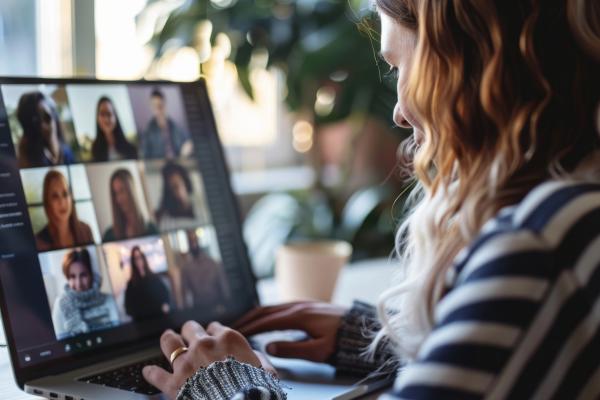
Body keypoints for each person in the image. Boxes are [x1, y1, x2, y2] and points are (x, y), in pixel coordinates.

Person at [142, 1, 600, 400]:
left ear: (472, 61)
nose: (400, 110)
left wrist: (225, 385)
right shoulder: (576, 213)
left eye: (400, 68)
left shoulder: (539, 245)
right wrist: (384, 340)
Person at [51, 248, 120, 339]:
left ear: (91, 275)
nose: (78, 283)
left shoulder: (108, 300)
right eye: (72, 276)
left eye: (83, 275)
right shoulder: (61, 304)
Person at [36, 170, 94, 252]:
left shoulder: (86, 230)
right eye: (55, 196)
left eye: (65, 194)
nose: (62, 202)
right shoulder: (39, 242)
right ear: (48, 202)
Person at [16, 91, 77, 168]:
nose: (44, 126)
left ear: (54, 117)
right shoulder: (25, 160)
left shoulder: (67, 153)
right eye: (36, 120)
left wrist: (53, 142)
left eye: (47, 117)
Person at [102, 169, 158, 242]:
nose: (119, 199)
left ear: (131, 190)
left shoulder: (151, 230)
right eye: (115, 193)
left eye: (122, 190)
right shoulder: (109, 236)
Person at [179, 230, 230, 307]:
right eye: (191, 242)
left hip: (216, 303)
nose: (194, 245)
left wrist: (227, 304)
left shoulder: (212, 263)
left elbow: (223, 286)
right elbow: (185, 293)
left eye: (195, 241)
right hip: (199, 306)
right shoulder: (186, 268)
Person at [141, 89, 193, 159]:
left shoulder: (175, 126)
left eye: (160, 105)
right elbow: (145, 156)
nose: (158, 109)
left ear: (164, 104)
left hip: (177, 163)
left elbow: (186, 143)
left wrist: (187, 147)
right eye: (155, 106)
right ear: (152, 107)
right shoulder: (148, 130)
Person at [124, 246, 171, 320]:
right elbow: (128, 307)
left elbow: (164, 291)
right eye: (135, 258)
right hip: (143, 323)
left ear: (143, 258)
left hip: (158, 317)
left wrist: (165, 304)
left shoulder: (153, 277)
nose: (138, 261)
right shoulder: (131, 284)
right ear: (133, 261)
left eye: (139, 257)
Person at [155, 162, 204, 231]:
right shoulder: (166, 219)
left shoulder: (202, 208)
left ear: (185, 182)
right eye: (173, 188)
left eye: (178, 185)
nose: (178, 191)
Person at [91, 97, 138, 162]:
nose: (106, 119)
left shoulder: (131, 148)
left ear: (115, 116)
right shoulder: (95, 149)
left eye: (109, 114)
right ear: (97, 118)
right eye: (102, 114)